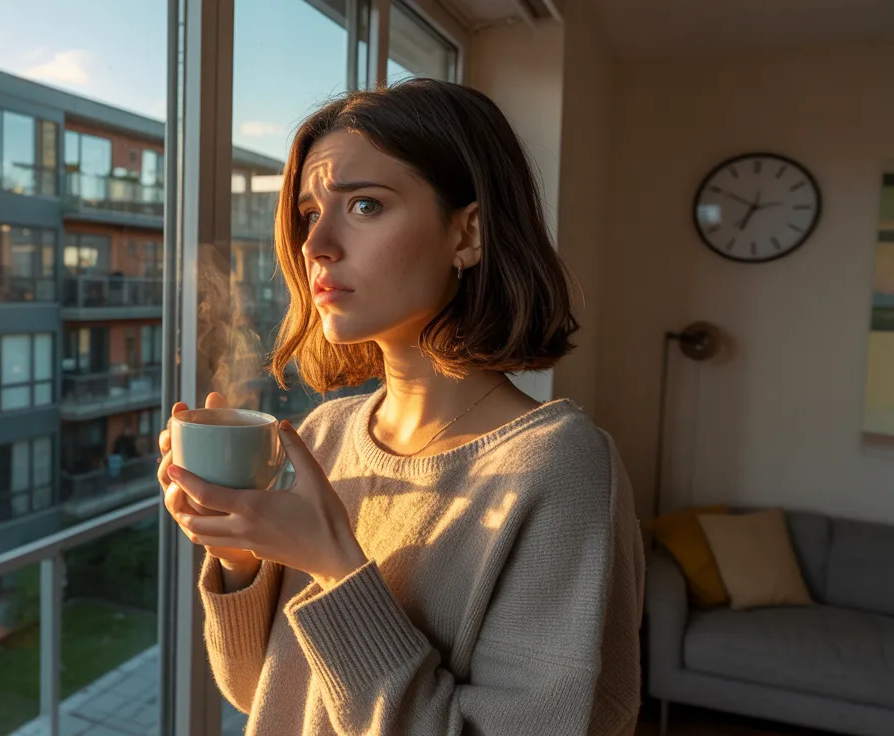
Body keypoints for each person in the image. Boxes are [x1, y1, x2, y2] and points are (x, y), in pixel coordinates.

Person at [157, 79, 643, 735]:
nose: (316, 245)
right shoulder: (322, 435)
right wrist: (241, 557)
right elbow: (261, 694)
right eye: (307, 214)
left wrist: (335, 565)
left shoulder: (559, 469)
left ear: (467, 233)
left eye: (364, 204)